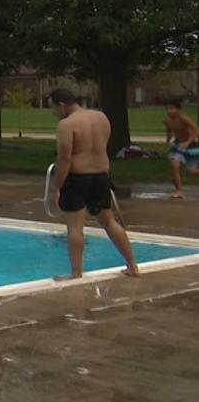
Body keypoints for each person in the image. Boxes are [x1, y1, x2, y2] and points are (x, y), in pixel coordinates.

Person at [48, 88, 139, 279]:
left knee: (74, 227)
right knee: (109, 222)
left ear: (62, 105)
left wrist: (55, 188)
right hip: (100, 177)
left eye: (53, 109)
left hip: (77, 179)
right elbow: (102, 146)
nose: (54, 113)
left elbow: (64, 158)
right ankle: (133, 266)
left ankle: (76, 273)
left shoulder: (66, 125)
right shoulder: (102, 118)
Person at [162, 101, 199, 199]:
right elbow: (169, 131)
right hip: (177, 146)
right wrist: (166, 143)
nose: (169, 111)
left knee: (191, 171)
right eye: (168, 109)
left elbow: (196, 130)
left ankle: (180, 190)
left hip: (192, 147)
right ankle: (179, 191)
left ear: (178, 110)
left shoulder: (183, 118)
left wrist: (187, 142)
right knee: (174, 165)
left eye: (172, 108)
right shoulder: (166, 120)